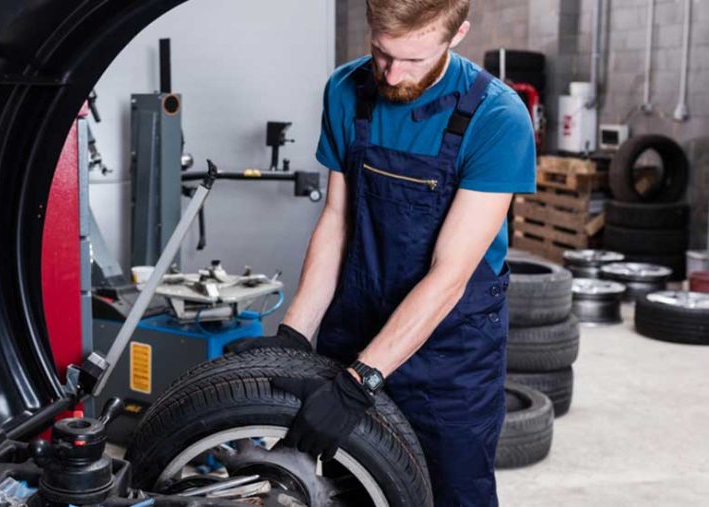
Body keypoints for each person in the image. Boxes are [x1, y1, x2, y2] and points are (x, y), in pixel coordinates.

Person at [228, 0, 536, 504]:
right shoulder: (346, 89)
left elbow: (450, 274)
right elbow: (336, 220)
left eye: (412, 60)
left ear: (457, 34)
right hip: (355, 322)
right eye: (381, 53)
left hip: (449, 351)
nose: (391, 75)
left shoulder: (497, 116)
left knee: (451, 492)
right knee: (348, 489)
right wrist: (296, 335)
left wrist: (360, 382)